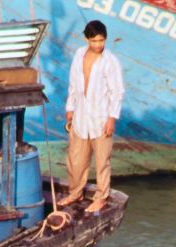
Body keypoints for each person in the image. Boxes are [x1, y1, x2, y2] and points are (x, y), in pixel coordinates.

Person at [60, 20, 125, 215]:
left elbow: (117, 92)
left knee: (102, 161)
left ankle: (101, 197)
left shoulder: (110, 61)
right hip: (80, 117)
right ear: (86, 39)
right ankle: (75, 192)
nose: (98, 45)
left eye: (102, 40)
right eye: (94, 40)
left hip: (101, 118)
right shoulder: (79, 55)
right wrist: (70, 108)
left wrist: (112, 118)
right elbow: (73, 84)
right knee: (76, 159)